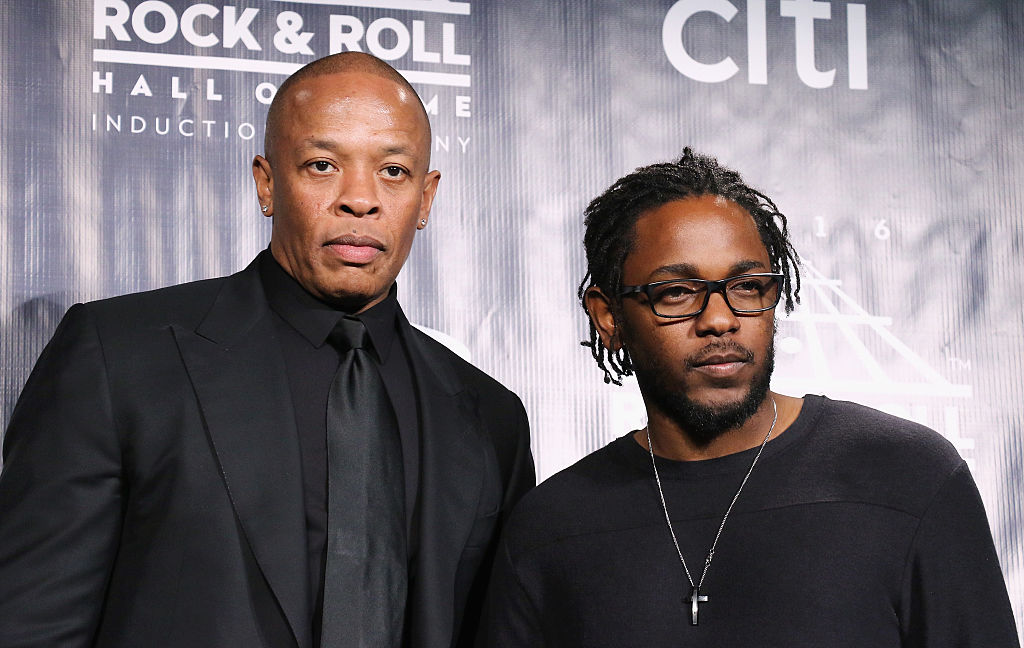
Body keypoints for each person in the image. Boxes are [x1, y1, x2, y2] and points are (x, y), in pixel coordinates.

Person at [0, 52, 534, 648]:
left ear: (426, 198)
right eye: (323, 164)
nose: (361, 199)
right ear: (267, 182)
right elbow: (32, 624)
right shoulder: (117, 356)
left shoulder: (492, 418)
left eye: (394, 172)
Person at [479, 148, 1019, 647]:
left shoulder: (909, 476)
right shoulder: (549, 528)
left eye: (747, 286)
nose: (720, 319)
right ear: (608, 317)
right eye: (677, 292)